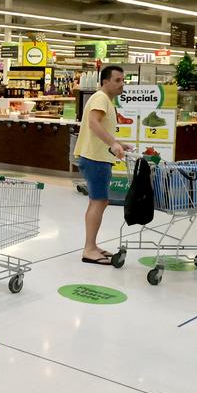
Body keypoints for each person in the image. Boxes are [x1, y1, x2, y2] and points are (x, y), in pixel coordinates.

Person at [73, 65, 130, 265]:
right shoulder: (100, 98)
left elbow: (99, 128)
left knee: (98, 202)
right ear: (105, 81)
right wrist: (113, 144)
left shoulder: (105, 100)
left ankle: (92, 245)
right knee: (99, 202)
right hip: (95, 159)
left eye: (123, 80)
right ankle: (89, 249)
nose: (122, 84)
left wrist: (118, 143)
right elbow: (93, 123)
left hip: (98, 157)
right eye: (117, 80)